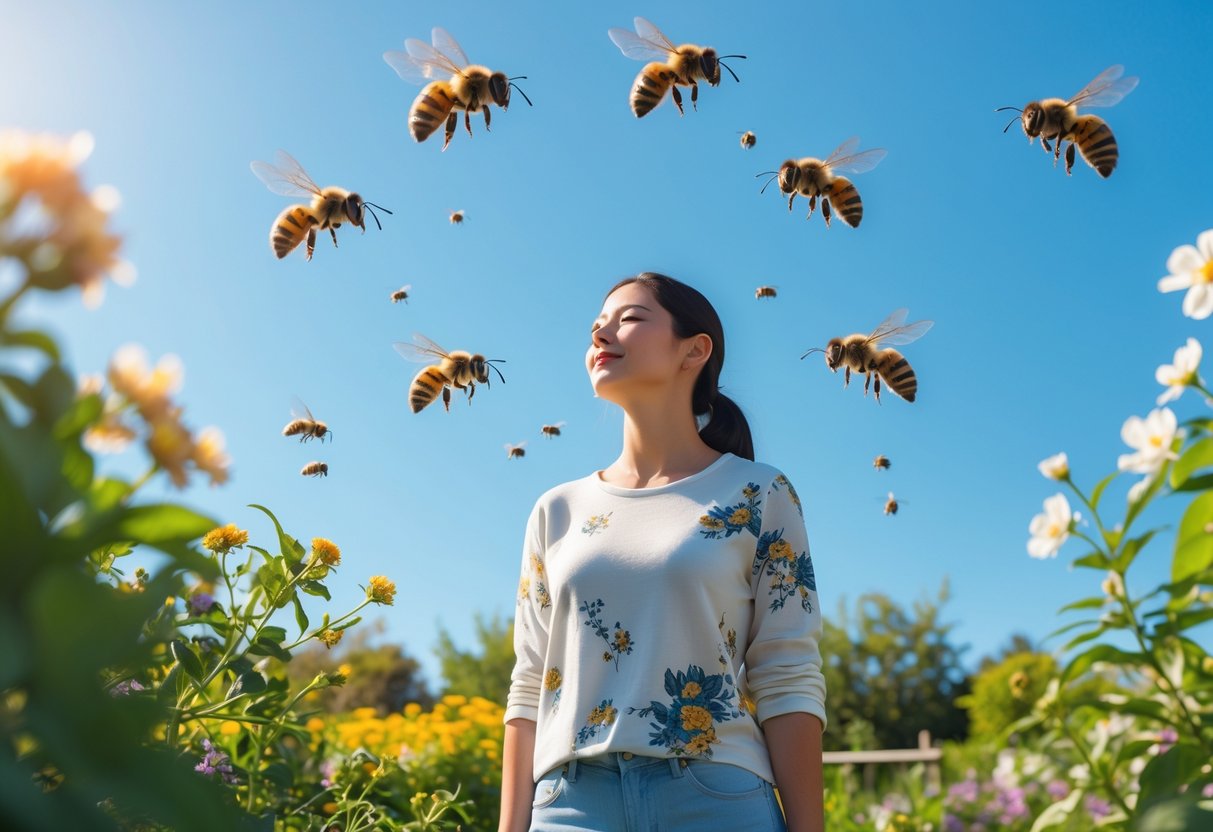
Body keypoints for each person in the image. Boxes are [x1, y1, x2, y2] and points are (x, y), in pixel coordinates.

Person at [498, 273, 826, 832]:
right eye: (595, 325)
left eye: (628, 317)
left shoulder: (759, 494)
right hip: (569, 806)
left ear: (695, 350)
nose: (602, 332)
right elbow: (529, 685)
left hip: (716, 798)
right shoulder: (557, 511)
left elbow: (787, 674)